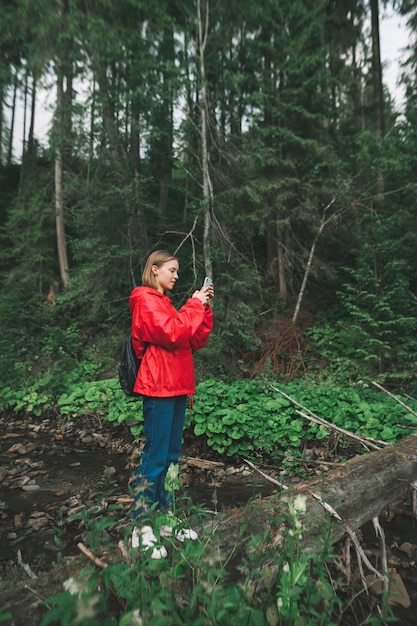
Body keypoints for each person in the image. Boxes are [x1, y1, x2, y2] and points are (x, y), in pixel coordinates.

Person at [129, 250, 214, 558]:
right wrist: (193, 304)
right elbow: (173, 332)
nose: (176, 275)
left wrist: (202, 308)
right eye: (172, 270)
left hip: (177, 386)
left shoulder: (164, 303)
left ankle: (165, 519)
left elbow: (193, 338)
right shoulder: (145, 299)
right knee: (154, 457)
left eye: (178, 271)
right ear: (154, 270)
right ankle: (141, 527)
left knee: (171, 457)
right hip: (158, 385)